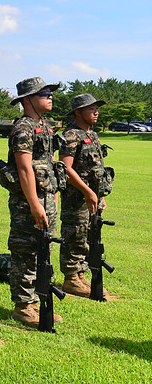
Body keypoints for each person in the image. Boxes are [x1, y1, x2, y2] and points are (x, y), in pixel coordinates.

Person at [6, 77, 62, 328]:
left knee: (43, 249)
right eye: (44, 93)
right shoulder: (23, 128)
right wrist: (34, 204)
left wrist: (53, 196)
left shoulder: (45, 127)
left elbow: (49, 166)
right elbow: (24, 168)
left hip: (46, 197)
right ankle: (23, 306)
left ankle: (34, 301)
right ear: (27, 99)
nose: (50, 96)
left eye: (50, 92)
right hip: (27, 202)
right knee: (25, 250)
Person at [58, 94, 112, 297]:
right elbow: (66, 167)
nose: (96, 112)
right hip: (76, 198)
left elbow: (96, 168)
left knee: (88, 236)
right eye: (91, 109)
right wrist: (88, 192)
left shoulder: (93, 135)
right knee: (75, 234)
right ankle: (71, 278)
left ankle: (80, 275)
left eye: (97, 108)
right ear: (78, 112)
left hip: (92, 198)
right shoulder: (71, 135)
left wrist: (100, 195)